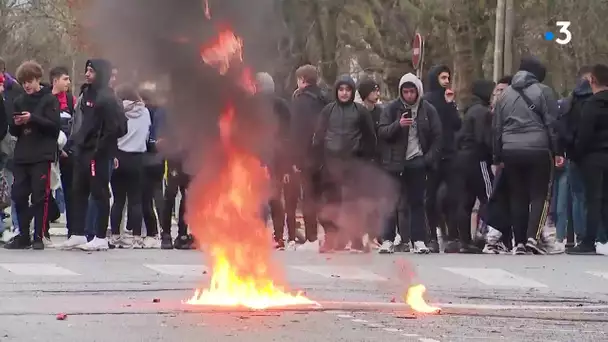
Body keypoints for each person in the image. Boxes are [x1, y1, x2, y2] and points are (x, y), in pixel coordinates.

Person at [493, 56, 560, 255]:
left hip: (510, 150)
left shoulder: (504, 95)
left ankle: (519, 241)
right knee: (540, 195)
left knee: (517, 196)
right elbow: (551, 124)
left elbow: (496, 127)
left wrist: (497, 156)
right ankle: (533, 237)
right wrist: (557, 150)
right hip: (538, 149)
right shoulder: (544, 91)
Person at [59, 59, 126, 251]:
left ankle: (100, 236)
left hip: (98, 153)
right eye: (86, 70)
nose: (87, 74)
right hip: (81, 151)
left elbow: (117, 128)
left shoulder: (108, 98)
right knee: (78, 190)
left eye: (91, 71)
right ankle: (78, 234)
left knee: (100, 193)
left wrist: (100, 148)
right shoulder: (86, 93)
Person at [377, 73, 441, 254]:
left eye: (412, 92)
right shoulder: (391, 109)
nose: (409, 96)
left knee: (417, 202)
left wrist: (427, 159)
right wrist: (398, 125)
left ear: (418, 92)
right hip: (395, 163)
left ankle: (418, 239)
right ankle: (387, 239)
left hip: (416, 161)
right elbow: (382, 132)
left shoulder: (427, 109)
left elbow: (437, 136)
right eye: (405, 92)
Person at [312, 75, 377, 253]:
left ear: (352, 91)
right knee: (332, 204)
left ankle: (356, 240)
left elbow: (370, 138)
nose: (344, 93)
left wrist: (364, 159)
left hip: (353, 164)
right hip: (331, 164)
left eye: (348, 90)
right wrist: (318, 161)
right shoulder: (327, 111)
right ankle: (331, 240)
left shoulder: (361, 112)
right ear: (336, 91)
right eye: (341, 89)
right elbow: (318, 137)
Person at [4, 61, 60, 250]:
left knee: (39, 196)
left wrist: (33, 119)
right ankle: (23, 234)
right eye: (23, 82)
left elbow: (54, 127)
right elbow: (13, 131)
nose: (27, 85)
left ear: (38, 80)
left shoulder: (49, 99)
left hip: (41, 154)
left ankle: (39, 235)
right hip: (22, 154)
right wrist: (17, 123)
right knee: (18, 195)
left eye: (30, 81)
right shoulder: (19, 100)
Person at [567, 64, 608, 255]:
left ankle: (588, 241)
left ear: (592, 80)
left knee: (593, 199)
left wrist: (575, 153)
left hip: (593, 157)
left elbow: (585, 134)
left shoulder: (591, 104)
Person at [286, 65, 328, 247]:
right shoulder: (326, 98)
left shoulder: (300, 101)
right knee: (324, 196)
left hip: (307, 158)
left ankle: (312, 237)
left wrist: (295, 159)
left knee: (309, 197)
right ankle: (332, 235)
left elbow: (297, 133)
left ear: (302, 79)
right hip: (326, 155)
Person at [109, 84, 155, 248]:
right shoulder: (145, 112)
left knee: (118, 200)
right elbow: (148, 133)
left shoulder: (117, 111)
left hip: (119, 156)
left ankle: (115, 235)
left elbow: (112, 133)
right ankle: (136, 237)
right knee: (135, 200)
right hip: (137, 157)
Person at [453, 80, 495, 253]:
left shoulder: (469, 110)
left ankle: (464, 240)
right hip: (478, 158)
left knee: (465, 201)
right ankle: (482, 234)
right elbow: (483, 137)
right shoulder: (482, 112)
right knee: (489, 196)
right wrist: (494, 154)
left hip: (462, 158)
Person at [423, 65, 462, 253]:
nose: (447, 81)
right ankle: (431, 235)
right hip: (433, 155)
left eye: (448, 77)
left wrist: (451, 104)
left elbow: (456, 124)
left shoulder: (448, 100)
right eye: (443, 78)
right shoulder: (427, 101)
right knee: (430, 197)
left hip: (449, 154)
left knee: (453, 196)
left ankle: (452, 235)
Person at [255, 72, 295, 250]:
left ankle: (267, 235)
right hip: (271, 160)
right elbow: (288, 138)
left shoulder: (256, 105)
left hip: (265, 159)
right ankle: (276, 236)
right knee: (273, 200)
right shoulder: (282, 105)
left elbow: (286, 137)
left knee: (265, 200)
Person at [49, 66, 76, 235]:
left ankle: (72, 230)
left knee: (71, 190)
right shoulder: (46, 99)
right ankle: (42, 230)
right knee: (45, 190)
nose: (68, 82)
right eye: (65, 79)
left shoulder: (71, 100)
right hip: (50, 150)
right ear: (55, 81)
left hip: (68, 152)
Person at [139, 87, 164, 246]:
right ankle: (164, 229)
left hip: (145, 157)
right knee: (158, 194)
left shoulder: (144, 112)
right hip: (159, 158)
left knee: (145, 198)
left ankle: (152, 231)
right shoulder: (162, 112)